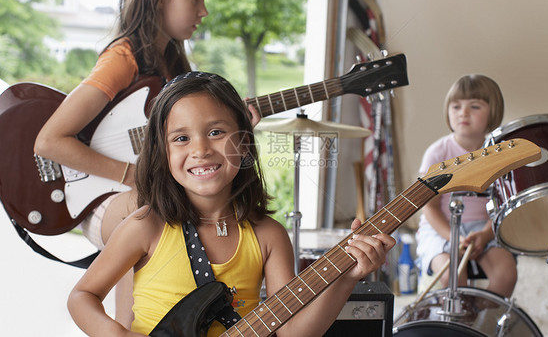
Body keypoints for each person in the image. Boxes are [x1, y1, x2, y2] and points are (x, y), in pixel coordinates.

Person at [66, 72, 396, 336]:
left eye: (216, 132)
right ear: (162, 152)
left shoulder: (269, 235)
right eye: (181, 138)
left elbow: (293, 333)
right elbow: (82, 297)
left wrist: (346, 279)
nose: (201, 150)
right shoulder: (145, 226)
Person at [34, 0, 257, 326]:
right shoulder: (122, 59)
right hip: (102, 200)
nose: (204, 11)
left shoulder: (172, 62)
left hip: (145, 192)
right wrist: (135, 175)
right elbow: (49, 140)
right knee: (147, 207)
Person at [416, 74, 517, 298]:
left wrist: (484, 235)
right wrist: (454, 238)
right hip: (441, 229)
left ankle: (477, 323)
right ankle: (456, 324)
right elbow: (430, 208)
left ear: (493, 111)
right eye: (456, 106)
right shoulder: (438, 153)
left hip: (485, 228)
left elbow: (505, 206)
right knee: (452, 276)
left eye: (474, 106)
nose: (463, 112)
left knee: (506, 274)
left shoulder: (500, 153)